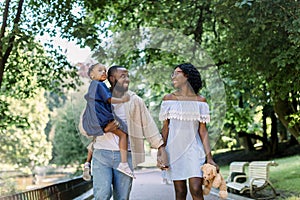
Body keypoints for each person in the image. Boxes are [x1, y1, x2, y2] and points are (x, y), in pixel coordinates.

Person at [92, 65, 169, 200]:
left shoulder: (135, 101)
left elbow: (148, 125)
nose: (127, 79)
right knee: (102, 195)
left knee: (122, 197)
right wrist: (104, 129)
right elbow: (84, 125)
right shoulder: (97, 97)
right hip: (101, 153)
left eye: (128, 76)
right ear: (111, 78)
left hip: (125, 156)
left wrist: (160, 148)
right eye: (123, 76)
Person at [159, 63, 219, 200]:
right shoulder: (168, 99)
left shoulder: (200, 101)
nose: (172, 76)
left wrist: (209, 158)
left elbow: (203, 131)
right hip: (174, 151)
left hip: (194, 150)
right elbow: (165, 128)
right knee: (180, 192)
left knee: (196, 189)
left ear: (186, 75)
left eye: (176, 73)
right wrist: (161, 151)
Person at [82, 63, 134, 178]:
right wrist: (122, 99)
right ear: (91, 74)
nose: (103, 72)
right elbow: (109, 99)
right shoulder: (99, 85)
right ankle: (124, 163)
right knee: (123, 134)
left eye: (105, 70)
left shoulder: (93, 86)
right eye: (100, 70)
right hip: (102, 117)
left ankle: (87, 163)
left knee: (95, 140)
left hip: (95, 117)